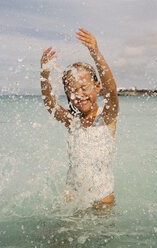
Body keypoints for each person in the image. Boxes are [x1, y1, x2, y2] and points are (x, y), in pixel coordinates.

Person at [40, 28, 119, 209]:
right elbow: (50, 105)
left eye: (84, 87)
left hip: (102, 200)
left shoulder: (107, 118)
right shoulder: (72, 121)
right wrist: (44, 74)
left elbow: (111, 91)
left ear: (97, 86)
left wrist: (95, 52)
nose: (80, 94)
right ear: (67, 94)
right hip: (72, 199)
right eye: (73, 90)